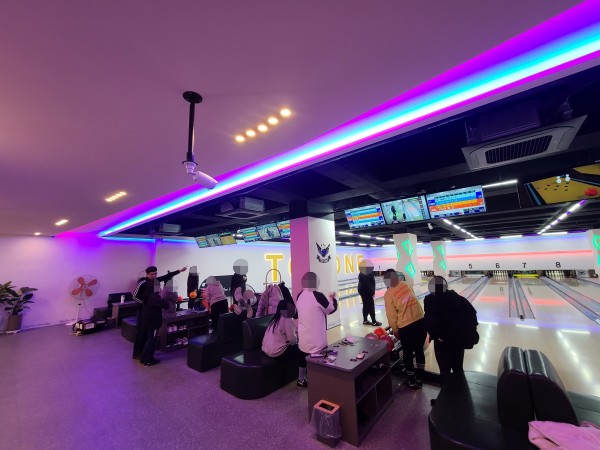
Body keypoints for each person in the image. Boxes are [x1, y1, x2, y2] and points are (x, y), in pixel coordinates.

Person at [424, 276, 479, 386]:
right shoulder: (459, 298)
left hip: (442, 343)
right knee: (458, 369)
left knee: (444, 372)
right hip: (458, 342)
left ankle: (446, 396)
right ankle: (462, 394)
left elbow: (430, 322)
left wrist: (435, 335)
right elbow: (473, 317)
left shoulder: (430, 300)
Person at [383, 269, 427, 389]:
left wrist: (395, 330)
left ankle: (412, 381)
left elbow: (391, 316)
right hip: (420, 321)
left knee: (407, 353)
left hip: (406, 327)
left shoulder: (388, 294)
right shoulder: (405, 284)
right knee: (419, 351)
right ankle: (420, 378)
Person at [132, 265, 187, 360]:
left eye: (155, 274)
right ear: (147, 274)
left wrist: (179, 270)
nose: (154, 276)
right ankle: (137, 353)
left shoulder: (155, 281)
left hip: (151, 312)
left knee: (148, 334)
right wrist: (145, 303)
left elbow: (166, 276)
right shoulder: (142, 283)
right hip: (142, 311)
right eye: (151, 274)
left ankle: (145, 353)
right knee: (140, 332)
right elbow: (134, 297)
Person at [295, 272, 338, 388]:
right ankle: (319, 384)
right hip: (317, 341)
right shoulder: (318, 296)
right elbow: (331, 309)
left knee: (302, 359)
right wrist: (332, 298)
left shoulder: (299, 295)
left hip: (303, 339)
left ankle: (300, 380)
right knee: (320, 361)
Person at [262, 300, 303, 385]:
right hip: (276, 352)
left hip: (266, 349)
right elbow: (292, 340)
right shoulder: (287, 319)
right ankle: (301, 379)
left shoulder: (274, 319)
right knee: (303, 350)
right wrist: (297, 338)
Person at [140, 279, 170, 366]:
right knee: (151, 341)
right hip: (153, 322)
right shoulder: (154, 297)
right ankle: (148, 360)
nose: (160, 288)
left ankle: (143, 358)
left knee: (149, 340)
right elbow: (166, 305)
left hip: (147, 320)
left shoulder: (147, 294)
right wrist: (161, 295)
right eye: (159, 286)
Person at [357, 259, 381, 326]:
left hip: (364, 291)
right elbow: (368, 284)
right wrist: (372, 292)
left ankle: (365, 320)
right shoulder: (365, 273)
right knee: (371, 306)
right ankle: (374, 321)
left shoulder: (366, 272)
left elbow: (372, 280)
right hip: (366, 292)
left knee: (365, 305)